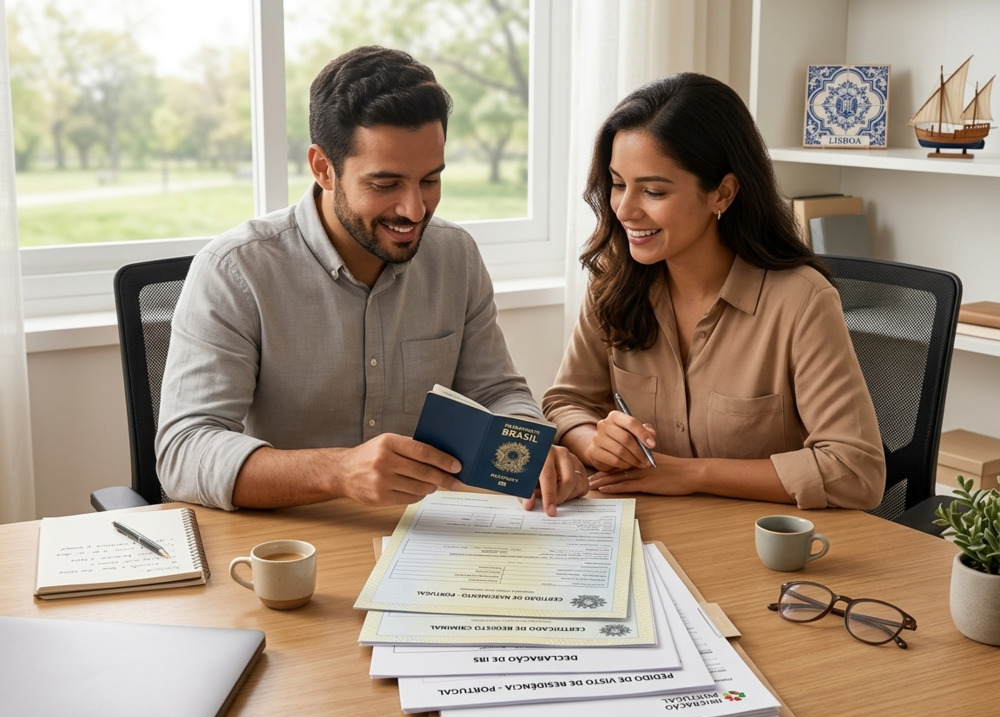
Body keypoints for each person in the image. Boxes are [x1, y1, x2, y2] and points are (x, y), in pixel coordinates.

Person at [155, 46, 587, 515]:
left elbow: (496, 393)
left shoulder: (454, 255)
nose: (415, 210)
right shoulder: (236, 271)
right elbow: (184, 451)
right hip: (298, 543)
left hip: (430, 534)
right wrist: (338, 472)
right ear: (324, 168)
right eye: (385, 184)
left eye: (430, 180)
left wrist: (531, 445)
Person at [542, 73, 885, 510]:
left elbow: (856, 470)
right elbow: (565, 401)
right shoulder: (613, 282)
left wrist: (687, 475)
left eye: (653, 190)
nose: (625, 209)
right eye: (617, 183)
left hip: (756, 550)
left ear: (722, 193)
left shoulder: (802, 302)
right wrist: (593, 443)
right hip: (645, 535)